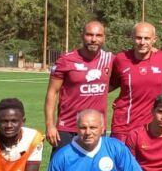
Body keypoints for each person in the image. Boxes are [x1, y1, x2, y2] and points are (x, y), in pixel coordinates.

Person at [44, 20, 114, 149]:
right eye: (89, 35)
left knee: (94, 169)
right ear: (82, 36)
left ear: (104, 38)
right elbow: (52, 92)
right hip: (68, 127)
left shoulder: (110, 60)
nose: (93, 39)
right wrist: (50, 125)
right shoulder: (66, 60)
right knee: (63, 168)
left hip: (96, 128)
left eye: (98, 35)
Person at [109, 22, 162, 143]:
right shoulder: (120, 59)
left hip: (151, 127)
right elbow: (109, 85)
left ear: (154, 40)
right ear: (132, 38)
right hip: (123, 127)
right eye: (139, 38)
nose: (142, 42)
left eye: (147, 38)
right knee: (119, 162)